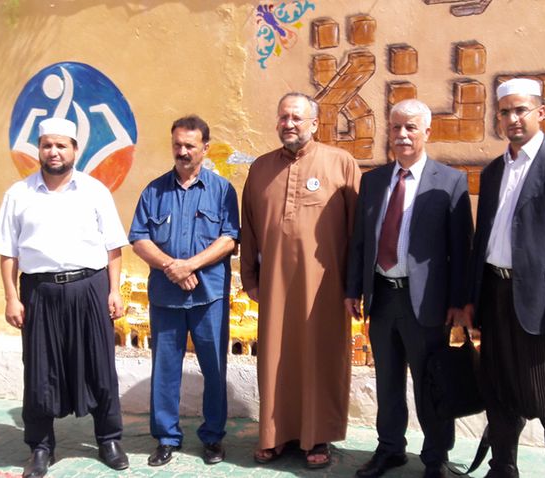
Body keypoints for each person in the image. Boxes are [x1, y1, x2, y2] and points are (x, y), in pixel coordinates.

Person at [459, 78, 545, 478]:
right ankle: (502, 467)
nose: (512, 118)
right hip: (494, 294)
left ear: (541, 112)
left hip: (544, 301)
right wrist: (472, 298)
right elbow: (482, 239)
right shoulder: (493, 171)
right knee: (498, 388)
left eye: (521, 110)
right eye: (505, 111)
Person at [0, 117, 130, 478]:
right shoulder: (18, 195)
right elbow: (7, 252)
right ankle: (40, 447)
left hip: (90, 288)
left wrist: (114, 290)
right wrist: (11, 298)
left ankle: (109, 439)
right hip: (40, 292)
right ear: (39, 149)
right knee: (40, 371)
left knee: (100, 367)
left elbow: (114, 247)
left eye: (61, 145)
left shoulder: (95, 191)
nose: (54, 152)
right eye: (47, 145)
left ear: (75, 150)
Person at [345, 99, 473, 478]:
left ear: (427, 132)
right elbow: (360, 241)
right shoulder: (373, 181)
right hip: (382, 296)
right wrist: (354, 289)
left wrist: (458, 302)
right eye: (396, 127)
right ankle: (390, 449)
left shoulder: (450, 182)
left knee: (431, 382)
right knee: (387, 380)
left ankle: (435, 456)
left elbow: (461, 249)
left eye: (410, 127)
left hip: (426, 302)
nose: (402, 134)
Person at [240, 92, 361, 469]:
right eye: (283, 117)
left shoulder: (341, 163)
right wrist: (250, 278)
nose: (288, 124)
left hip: (325, 288)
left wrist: (354, 286)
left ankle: (317, 437)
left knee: (321, 357)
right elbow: (249, 229)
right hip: (275, 286)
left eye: (296, 117)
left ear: (314, 123)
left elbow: (359, 231)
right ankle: (274, 435)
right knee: (275, 359)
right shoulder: (260, 168)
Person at [129, 115, 239, 467]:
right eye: (177, 144)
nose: (182, 151)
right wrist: (171, 268)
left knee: (214, 368)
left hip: (209, 296)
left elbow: (229, 238)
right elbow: (139, 238)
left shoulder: (222, 191)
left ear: (205, 148)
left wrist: (189, 265)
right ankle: (166, 438)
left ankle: (213, 438)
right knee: (165, 370)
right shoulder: (154, 191)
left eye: (190, 145)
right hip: (166, 297)